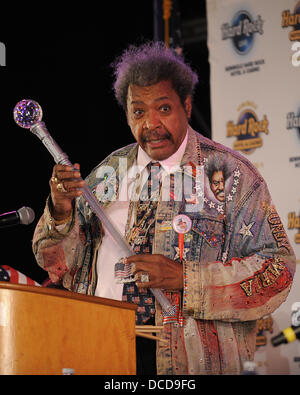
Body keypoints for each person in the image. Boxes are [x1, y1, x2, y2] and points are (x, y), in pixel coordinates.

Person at [32, 41, 296, 375]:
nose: (151, 124)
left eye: (164, 109)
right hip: (100, 351)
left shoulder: (229, 174)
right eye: (138, 112)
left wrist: (185, 277)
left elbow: (278, 269)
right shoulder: (108, 174)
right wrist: (60, 212)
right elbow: (58, 266)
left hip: (188, 363)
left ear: (186, 105)